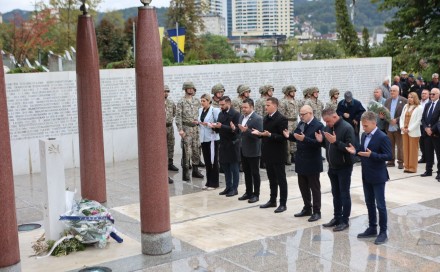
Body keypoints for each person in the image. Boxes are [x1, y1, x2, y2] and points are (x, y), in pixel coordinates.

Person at [346, 111, 392, 245]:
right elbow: (362, 151)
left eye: (366, 126)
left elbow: (388, 156)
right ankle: (372, 227)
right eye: (363, 126)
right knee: (369, 202)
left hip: (378, 175)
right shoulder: (363, 135)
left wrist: (373, 155)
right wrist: (355, 151)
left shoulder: (382, 137)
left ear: (374, 123)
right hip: (366, 175)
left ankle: (383, 232)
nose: (364, 128)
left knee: (380, 205)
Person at [317, 108, 356, 231]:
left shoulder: (347, 128)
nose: (327, 124)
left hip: (344, 167)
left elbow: (351, 149)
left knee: (344, 194)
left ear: (334, 116)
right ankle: (337, 217)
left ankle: (345, 220)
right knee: (335, 194)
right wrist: (321, 141)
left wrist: (336, 142)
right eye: (325, 122)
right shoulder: (328, 128)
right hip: (332, 167)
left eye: (328, 121)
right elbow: (328, 145)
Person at [283, 105, 323, 220]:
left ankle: (316, 211)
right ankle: (307, 208)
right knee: (303, 187)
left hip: (312, 162)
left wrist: (304, 139)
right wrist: (289, 136)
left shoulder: (318, 125)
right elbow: (296, 136)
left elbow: (319, 143)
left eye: (303, 114)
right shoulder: (301, 124)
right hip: (301, 161)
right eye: (300, 114)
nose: (301, 116)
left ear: (310, 113)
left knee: (314, 188)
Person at [252, 97, 288, 213]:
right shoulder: (266, 118)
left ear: (275, 106)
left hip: (278, 153)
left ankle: (283, 203)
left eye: (268, 105)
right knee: (271, 179)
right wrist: (259, 134)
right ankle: (273, 200)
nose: (265, 107)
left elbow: (283, 137)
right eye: (265, 105)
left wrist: (271, 135)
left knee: (281, 179)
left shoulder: (282, 119)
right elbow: (266, 134)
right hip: (268, 153)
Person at [212, 96, 241, 196]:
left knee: (234, 167)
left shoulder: (236, 114)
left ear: (229, 103)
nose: (221, 106)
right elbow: (220, 128)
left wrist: (222, 126)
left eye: (223, 104)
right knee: (225, 167)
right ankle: (228, 187)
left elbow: (237, 130)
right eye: (220, 104)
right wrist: (215, 127)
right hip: (223, 143)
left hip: (232, 144)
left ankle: (235, 188)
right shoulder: (221, 113)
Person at [175, 81, 204, 181]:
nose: (191, 90)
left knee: (196, 149)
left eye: (192, 88)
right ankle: (186, 172)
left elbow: (201, 114)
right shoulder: (181, 102)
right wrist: (180, 130)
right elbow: (178, 117)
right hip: (186, 129)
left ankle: (195, 170)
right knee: (187, 151)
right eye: (189, 88)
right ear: (185, 89)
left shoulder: (197, 101)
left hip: (196, 129)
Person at [238, 98, 263, 203]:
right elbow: (240, 133)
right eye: (242, 107)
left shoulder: (257, 118)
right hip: (243, 149)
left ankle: (256, 194)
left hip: (253, 150)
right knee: (246, 172)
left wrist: (247, 131)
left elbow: (259, 135)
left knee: (255, 173)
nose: (243, 109)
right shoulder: (241, 117)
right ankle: (248, 192)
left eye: (245, 107)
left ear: (251, 107)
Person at [198, 94, 220, 189]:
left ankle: (214, 183)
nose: (202, 103)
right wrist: (198, 123)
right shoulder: (200, 110)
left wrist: (208, 124)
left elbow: (218, 124)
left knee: (213, 160)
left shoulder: (214, 110)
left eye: (204, 101)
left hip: (212, 138)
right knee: (207, 161)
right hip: (203, 138)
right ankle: (208, 182)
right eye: (201, 101)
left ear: (209, 101)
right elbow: (200, 121)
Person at [382, 85, 407, 169]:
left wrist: (396, 120)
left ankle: (400, 162)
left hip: (399, 127)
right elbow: (384, 112)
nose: (392, 92)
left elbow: (405, 114)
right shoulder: (387, 101)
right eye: (391, 91)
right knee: (390, 145)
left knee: (400, 146)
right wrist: (384, 117)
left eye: (394, 91)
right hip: (389, 127)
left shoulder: (404, 101)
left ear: (398, 92)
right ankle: (390, 161)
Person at [399, 92, 423, 173]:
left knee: (413, 150)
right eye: (408, 97)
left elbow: (418, 121)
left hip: (413, 131)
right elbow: (402, 117)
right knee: (405, 149)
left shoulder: (419, 107)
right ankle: (406, 166)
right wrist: (402, 127)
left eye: (411, 97)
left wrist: (409, 129)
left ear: (415, 98)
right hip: (404, 131)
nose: (409, 98)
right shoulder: (406, 106)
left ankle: (412, 167)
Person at [420, 88, 440, 180]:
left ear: (438, 95)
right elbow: (423, 118)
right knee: (428, 152)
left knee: (438, 154)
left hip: (436, 133)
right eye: (431, 94)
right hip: (427, 133)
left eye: (433, 94)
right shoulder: (427, 105)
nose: (431, 96)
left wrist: (432, 129)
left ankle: (439, 173)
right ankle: (428, 170)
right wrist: (426, 128)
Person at [279, 85, 299, 165]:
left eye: (294, 91)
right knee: (287, 140)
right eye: (292, 91)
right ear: (288, 92)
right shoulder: (283, 102)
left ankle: (294, 155)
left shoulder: (296, 101)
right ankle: (287, 158)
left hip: (295, 121)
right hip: (287, 122)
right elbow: (281, 114)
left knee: (295, 138)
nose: (293, 93)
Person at [165, 85, 178, 172]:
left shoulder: (171, 103)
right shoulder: (157, 103)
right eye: (164, 91)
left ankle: (170, 163)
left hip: (170, 126)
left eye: (167, 91)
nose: (166, 93)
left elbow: (174, 113)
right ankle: (163, 163)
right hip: (161, 128)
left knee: (171, 144)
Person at [418, 89, 430, 163]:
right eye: (422, 93)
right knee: (421, 142)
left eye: (425, 93)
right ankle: (424, 157)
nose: (423, 95)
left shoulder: (430, 102)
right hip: (419, 125)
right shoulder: (419, 102)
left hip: (427, 126)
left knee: (428, 143)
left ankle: (429, 158)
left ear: (428, 95)